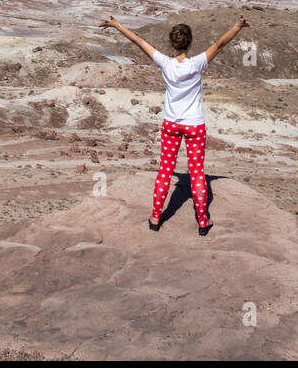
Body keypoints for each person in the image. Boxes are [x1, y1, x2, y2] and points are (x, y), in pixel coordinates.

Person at [99, 14, 250, 235]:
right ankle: (202, 221)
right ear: (190, 43)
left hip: (171, 124)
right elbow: (220, 43)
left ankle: (155, 218)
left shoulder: (165, 63)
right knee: (197, 173)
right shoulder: (197, 63)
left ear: (173, 43)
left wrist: (117, 25)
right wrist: (238, 25)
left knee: (165, 171)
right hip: (194, 125)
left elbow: (139, 41)